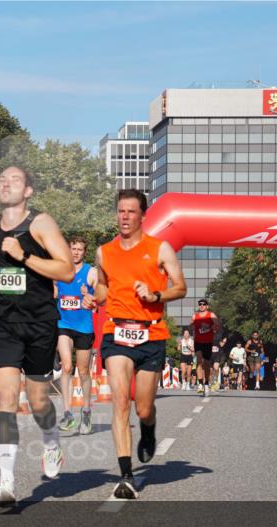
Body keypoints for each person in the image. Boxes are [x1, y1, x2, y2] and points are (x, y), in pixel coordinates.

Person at [0, 166, 74, 506]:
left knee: (39, 401)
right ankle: (7, 481)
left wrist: (25, 256)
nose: (6, 183)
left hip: (40, 323)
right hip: (3, 323)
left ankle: (51, 439)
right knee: (7, 400)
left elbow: (66, 269)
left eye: (14, 180)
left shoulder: (40, 224)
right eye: (1, 179)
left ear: (28, 191)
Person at [84, 189, 186, 500]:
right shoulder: (104, 252)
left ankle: (149, 428)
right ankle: (126, 475)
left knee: (143, 408)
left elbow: (180, 287)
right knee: (120, 402)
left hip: (151, 334)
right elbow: (103, 287)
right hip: (116, 333)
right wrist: (94, 298)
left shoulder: (160, 249)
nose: (124, 217)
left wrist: (156, 296)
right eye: (120, 211)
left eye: (130, 212)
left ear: (142, 216)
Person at [55, 236, 98, 434]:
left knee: (82, 371)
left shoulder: (91, 272)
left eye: (80, 249)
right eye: (73, 248)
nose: (76, 252)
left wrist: (89, 297)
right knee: (66, 366)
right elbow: (52, 292)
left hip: (83, 327)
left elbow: (101, 298)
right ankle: (67, 413)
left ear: (84, 252)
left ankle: (86, 410)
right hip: (63, 323)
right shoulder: (60, 269)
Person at [191, 298, 220, 395]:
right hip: (198, 341)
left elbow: (218, 325)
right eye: (200, 304)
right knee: (199, 360)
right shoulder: (195, 316)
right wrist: (192, 325)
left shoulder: (211, 314)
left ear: (207, 306)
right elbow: (190, 326)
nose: (202, 306)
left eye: (204, 304)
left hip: (208, 342)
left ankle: (206, 384)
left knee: (206, 364)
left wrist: (209, 327)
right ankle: (200, 384)